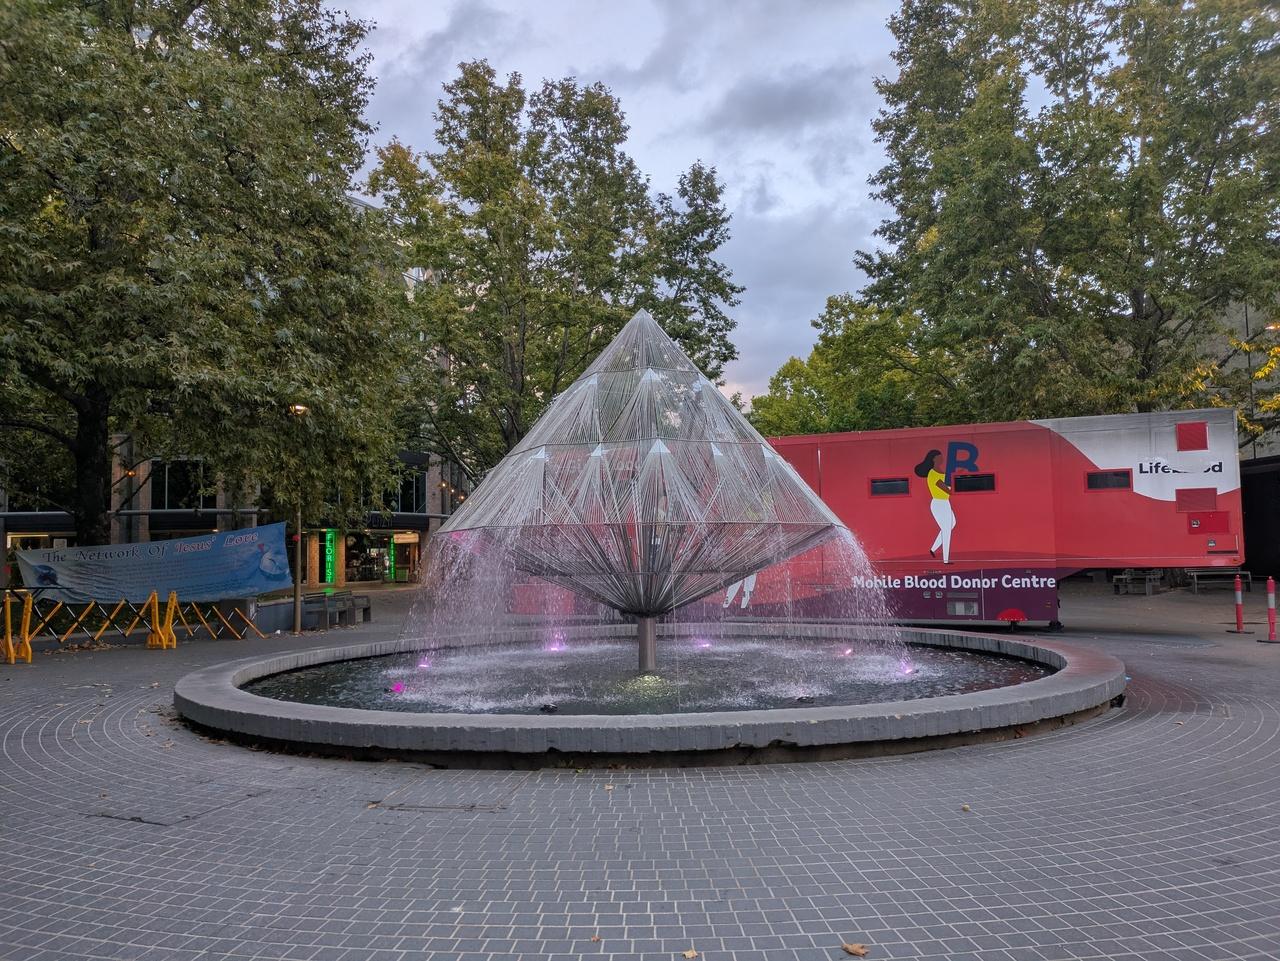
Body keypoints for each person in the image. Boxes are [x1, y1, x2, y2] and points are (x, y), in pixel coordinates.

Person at [914, 449, 955, 564]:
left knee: (952, 524)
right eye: (940, 457)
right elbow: (947, 490)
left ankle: (933, 549)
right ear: (934, 459)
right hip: (939, 503)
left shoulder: (940, 472)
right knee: (946, 530)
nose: (942, 458)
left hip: (945, 502)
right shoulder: (932, 474)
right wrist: (952, 484)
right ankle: (946, 560)